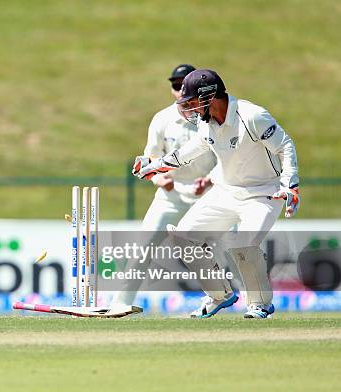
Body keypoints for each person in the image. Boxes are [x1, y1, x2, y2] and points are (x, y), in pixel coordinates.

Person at [135, 69, 299, 318]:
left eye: (191, 102)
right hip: (225, 190)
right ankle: (219, 295)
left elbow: (285, 146)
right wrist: (155, 165)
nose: (189, 109)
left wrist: (290, 185)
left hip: (263, 193)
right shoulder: (206, 124)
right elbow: (187, 153)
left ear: (209, 97)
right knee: (183, 238)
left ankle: (260, 304)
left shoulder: (253, 116)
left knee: (244, 243)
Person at [111, 64, 217, 306]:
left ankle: (242, 300)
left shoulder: (210, 118)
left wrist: (209, 180)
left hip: (209, 194)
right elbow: (149, 159)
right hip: (172, 194)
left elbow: (227, 157)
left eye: (184, 85)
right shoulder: (163, 119)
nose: (180, 90)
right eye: (176, 85)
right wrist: (160, 179)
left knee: (221, 249)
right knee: (143, 248)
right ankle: (120, 304)